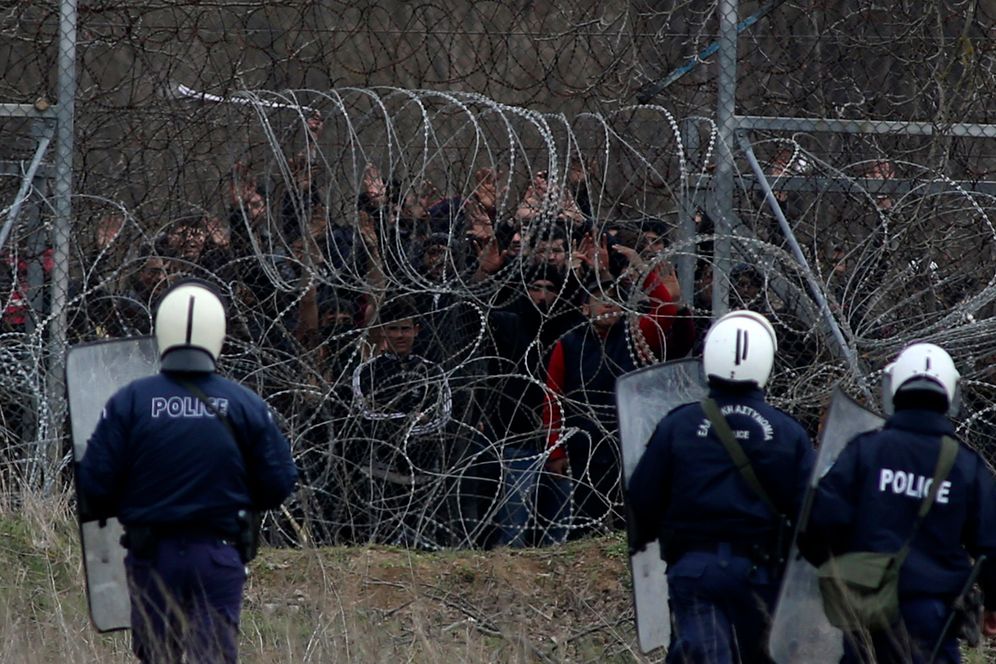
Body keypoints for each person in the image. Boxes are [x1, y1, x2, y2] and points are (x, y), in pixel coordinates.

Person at [76, 280, 299, 664]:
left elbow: (93, 486)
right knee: (212, 656)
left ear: (162, 329)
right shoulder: (245, 404)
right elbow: (279, 483)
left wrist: (136, 499)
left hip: (151, 557)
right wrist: (237, 500)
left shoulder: (130, 401)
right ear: (219, 333)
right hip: (217, 555)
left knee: (157, 656)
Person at [627, 310, 815, 664]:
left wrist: (652, 536)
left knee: (701, 655)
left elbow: (642, 496)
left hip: (694, 570)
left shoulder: (678, 425)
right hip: (762, 575)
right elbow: (810, 513)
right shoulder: (788, 433)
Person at [799, 342, 996, 663]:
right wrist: (992, 604)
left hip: (866, 608)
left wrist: (842, 571)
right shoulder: (965, 466)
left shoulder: (865, 451)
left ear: (894, 387)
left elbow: (818, 522)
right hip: (934, 614)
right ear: (950, 393)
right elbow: (991, 545)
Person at [543, 255, 693, 537]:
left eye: (615, 297)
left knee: (631, 513)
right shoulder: (569, 343)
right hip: (584, 442)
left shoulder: (634, 333)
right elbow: (553, 397)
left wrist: (644, 273)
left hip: (629, 438)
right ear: (585, 308)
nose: (610, 303)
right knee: (587, 517)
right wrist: (556, 449)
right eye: (601, 297)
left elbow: (666, 311)